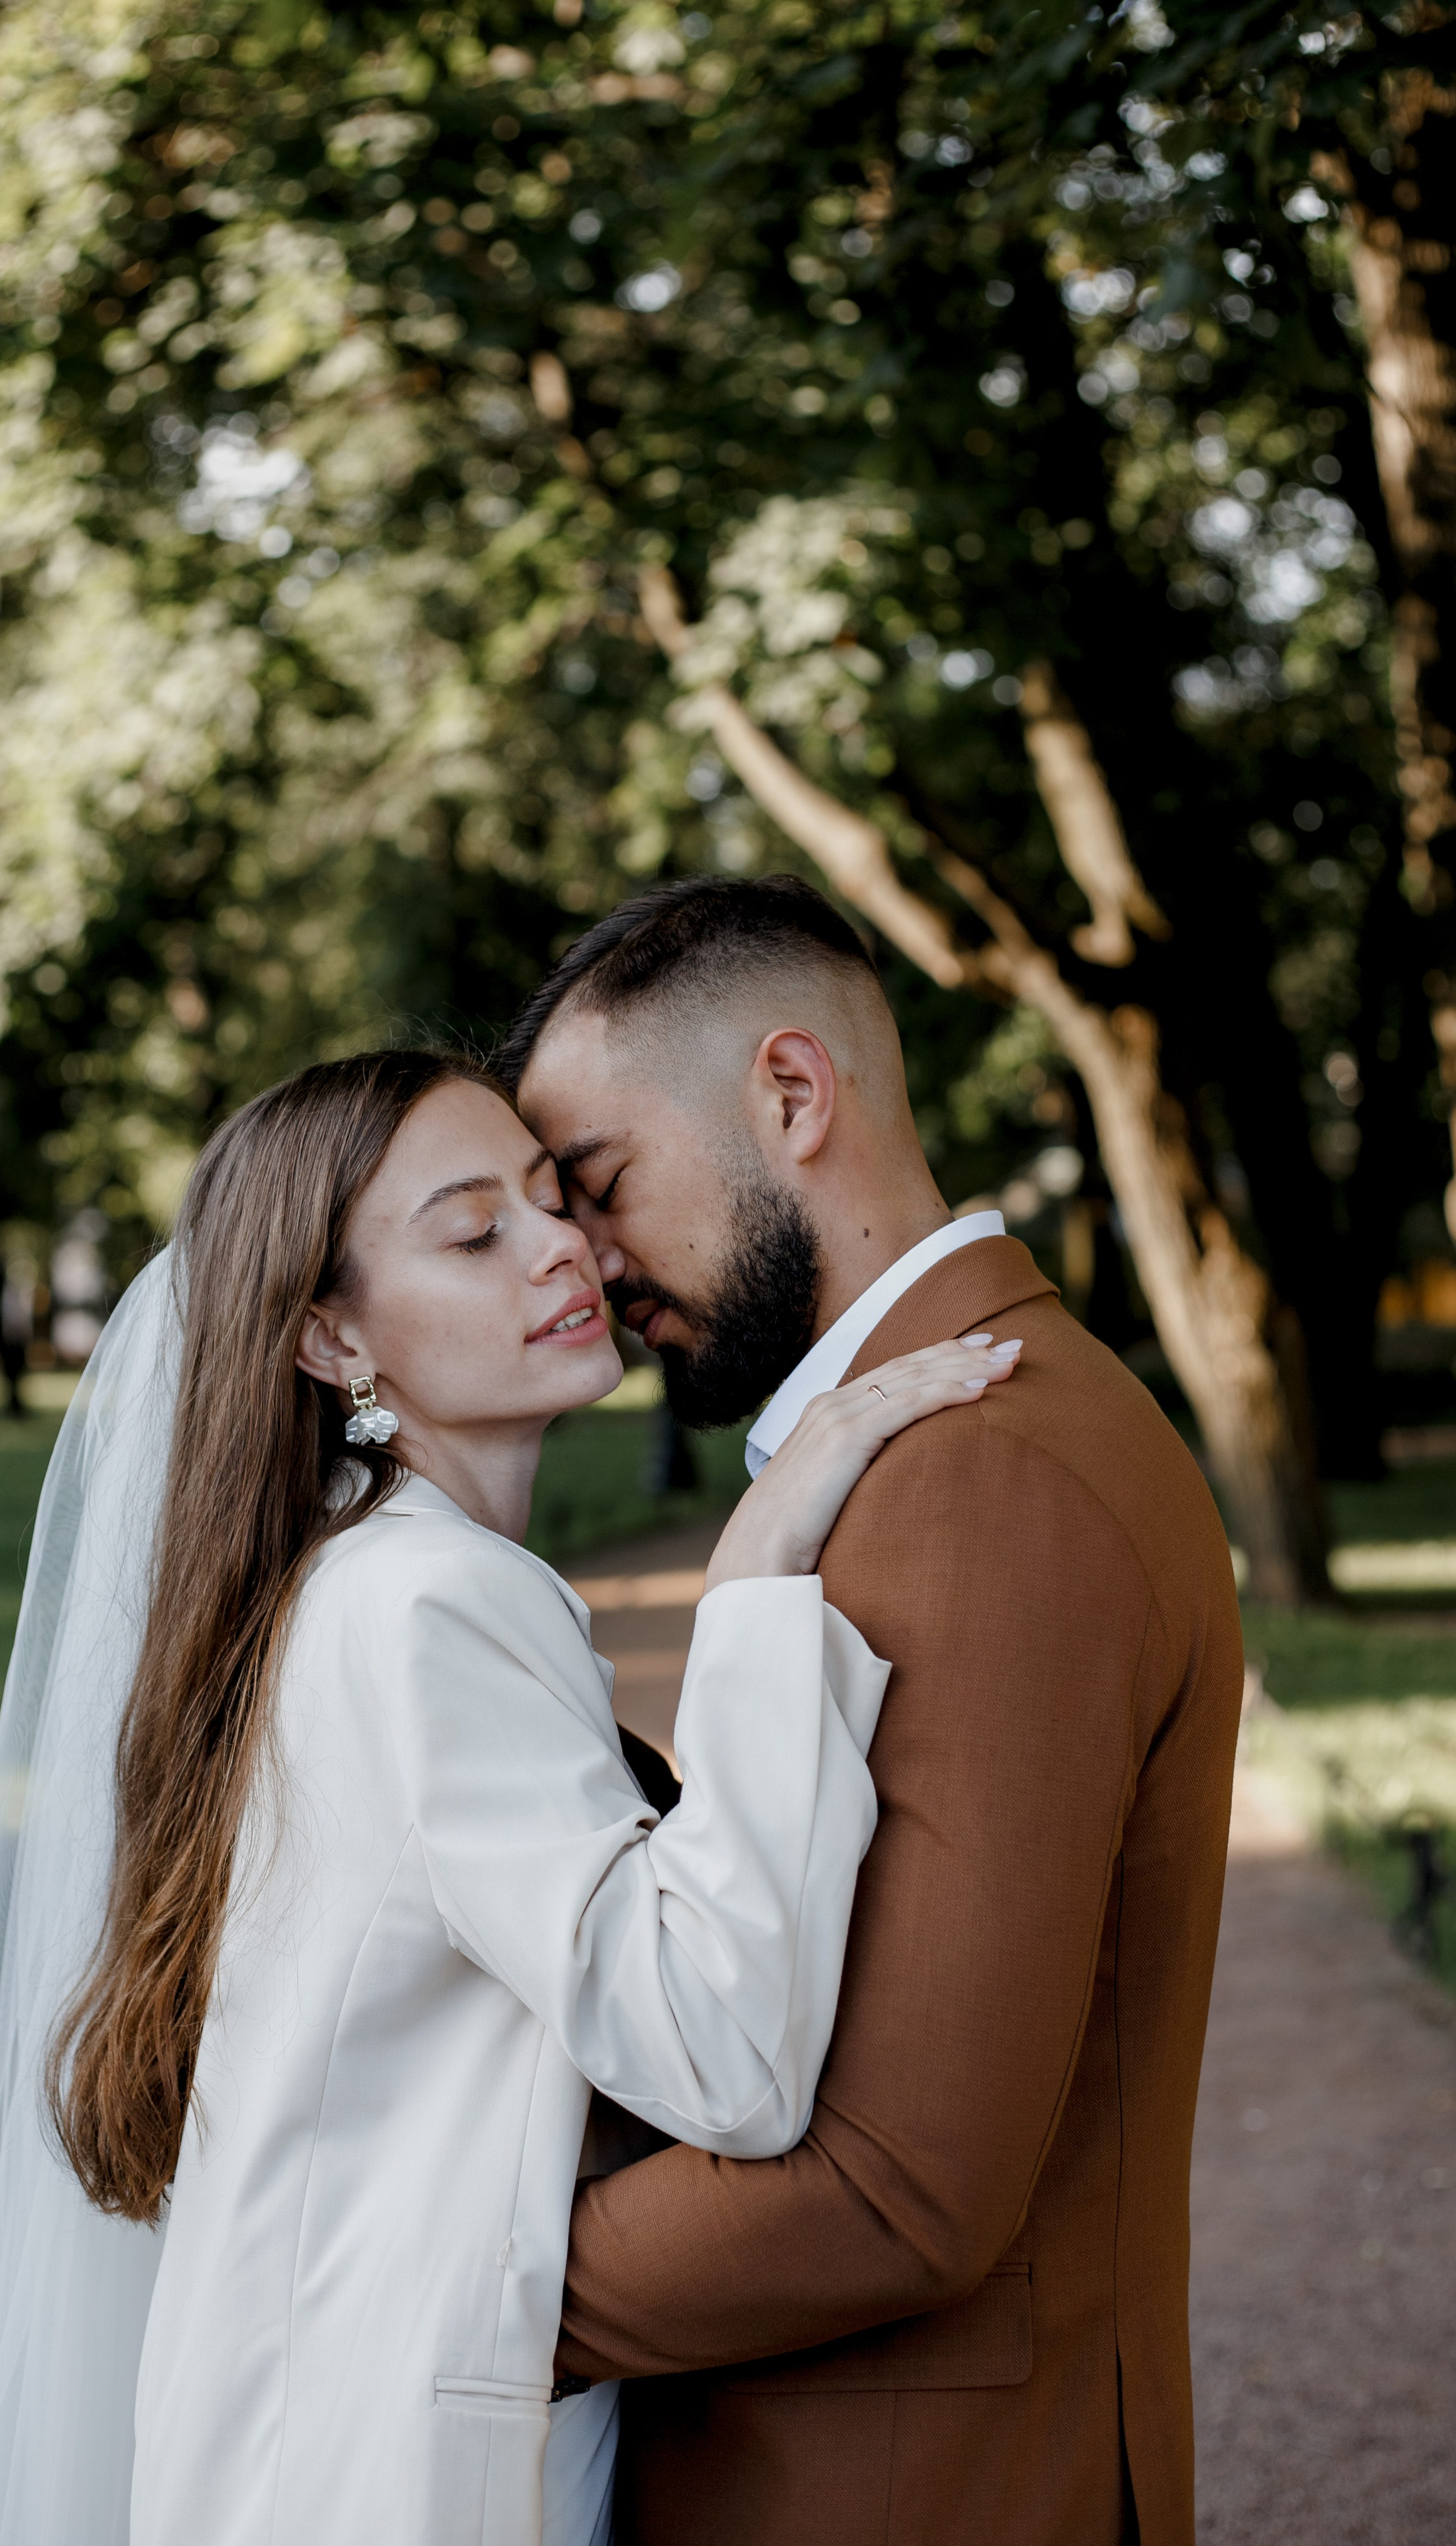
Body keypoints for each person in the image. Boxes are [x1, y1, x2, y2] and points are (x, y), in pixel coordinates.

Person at [0, 1047, 1020, 2546]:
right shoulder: (427, 1602)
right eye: (474, 1233)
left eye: (554, 1200)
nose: (561, 1248)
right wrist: (753, 1586)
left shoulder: (352, 1587)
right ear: (331, 1342)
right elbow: (720, 2055)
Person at [505, 875, 1245, 2546]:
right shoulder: (924, 1439)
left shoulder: (979, 1470)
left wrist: (449, 2299)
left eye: (601, 1184)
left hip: (903, 2493)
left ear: (790, 1094)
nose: (585, 1262)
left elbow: (891, 2185)